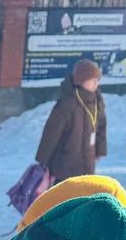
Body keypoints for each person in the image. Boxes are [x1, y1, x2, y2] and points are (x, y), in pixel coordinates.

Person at [31, 58, 107, 189]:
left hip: (88, 160)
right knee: (63, 197)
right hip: (64, 163)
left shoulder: (96, 101)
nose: (96, 84)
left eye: (98, 81)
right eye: (93, 80)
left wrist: (100, 150)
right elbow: (51, 133)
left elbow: (101, 127)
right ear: (82, 80)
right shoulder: (67, 103)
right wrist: (43, 160)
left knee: (82, 195)